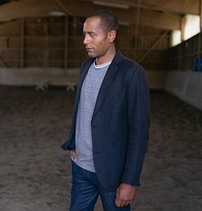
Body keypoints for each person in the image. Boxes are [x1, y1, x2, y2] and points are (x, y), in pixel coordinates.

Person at [61, 10, 150, 211]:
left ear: (111, 36)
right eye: (84, 34)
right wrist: (73, 142)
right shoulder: (85, 67)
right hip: (81, 168)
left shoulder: (132, 73)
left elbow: (139, 132)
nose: (85, 40)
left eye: (92, 35)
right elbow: (81, 109)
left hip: (114, 174)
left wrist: (129, 181)